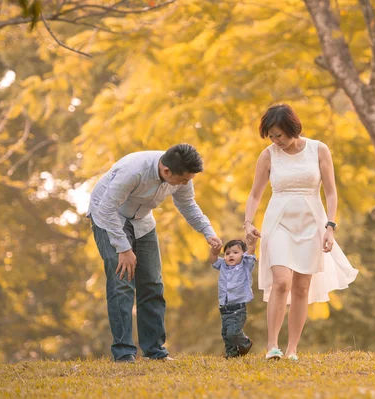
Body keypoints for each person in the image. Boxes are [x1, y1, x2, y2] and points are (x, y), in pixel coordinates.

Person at [87, 144, 223, 363]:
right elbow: (106, 209)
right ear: (167, 171)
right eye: (183, 180)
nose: (186, 184)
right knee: (122, 281)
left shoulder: (180, 175)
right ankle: (124, 353)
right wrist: (123, 248)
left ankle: (155, 351)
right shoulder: (133, 171)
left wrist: (208, 233)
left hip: (142, 221)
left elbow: (187, 204)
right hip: (109, 219)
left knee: (153, 282)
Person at [244, 104, 358, 361]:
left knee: (302, 286)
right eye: (271, 136)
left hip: (311, 221)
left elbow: (330, 191)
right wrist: (248, 222)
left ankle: (292, 349)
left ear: (291, 128)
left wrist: (330, 226)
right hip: (279, 221)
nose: (275, 140)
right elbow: (255, 194)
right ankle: (272, 345)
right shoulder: (268, 155)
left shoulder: (319, 149)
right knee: (282, 281)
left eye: (278, 135)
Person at [209, 238, 257, 358]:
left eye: (235, 252)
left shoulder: (245, 265)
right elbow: (213, 260)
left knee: (233, 332)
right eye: (227, 253)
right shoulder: (223, 265)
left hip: (238, 309)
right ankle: (231, 354)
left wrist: (252, 243)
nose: (231, 255)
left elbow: (250, 253)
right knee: (225, 333)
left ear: (243, 254)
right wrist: (214, 252)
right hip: (224, 308)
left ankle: (245, 343)